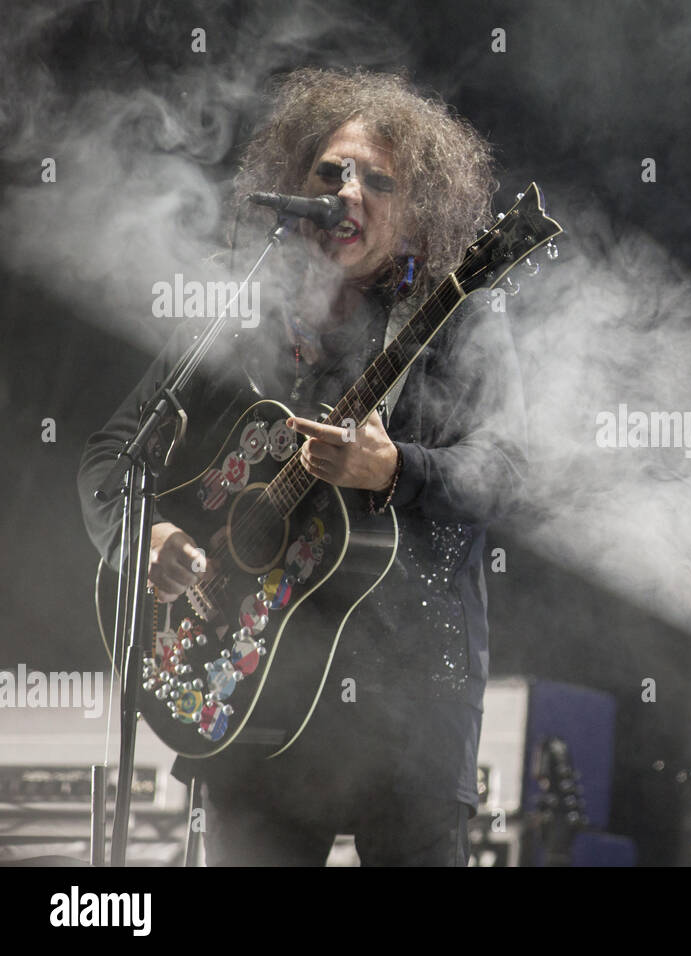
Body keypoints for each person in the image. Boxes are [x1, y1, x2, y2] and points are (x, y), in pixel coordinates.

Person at [77, 68, 528, 866]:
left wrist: (397, 471)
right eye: (330, 174)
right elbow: (115, 457)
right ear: (294, 186)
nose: (347, 193)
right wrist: (143, 541)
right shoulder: (245, 304)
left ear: (418, 208)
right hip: (252, 708)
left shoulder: (462, 314)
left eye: (378, 181)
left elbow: (506, 473)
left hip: (408, 716)